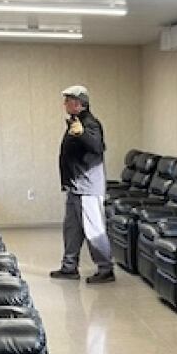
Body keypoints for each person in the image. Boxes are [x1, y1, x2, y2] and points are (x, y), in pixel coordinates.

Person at [50, 85, 115, 284]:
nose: (64, 104)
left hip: (87, 187)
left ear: (78, 103)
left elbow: (98, 147)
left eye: (67, 100)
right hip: (75, 186)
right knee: (71, 229)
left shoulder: (90, 123)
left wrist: (82, 134)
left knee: (94, 229)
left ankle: (106, 269)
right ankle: (69, 267)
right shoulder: (76, 121)